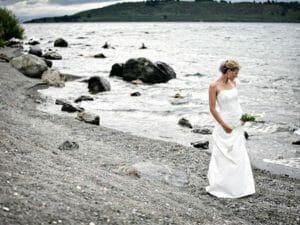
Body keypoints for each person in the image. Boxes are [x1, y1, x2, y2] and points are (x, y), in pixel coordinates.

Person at [206, 59, 255, 198]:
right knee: (224, 154)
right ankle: (222, 186)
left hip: (237, 123)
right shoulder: (214, 86)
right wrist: (223, 125)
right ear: (227, 71)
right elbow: (212, 108)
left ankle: (240, 187)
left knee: (238, 153)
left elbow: (236, 103)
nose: (236, 76)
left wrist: (244, 117)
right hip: (225, 123)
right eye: (235, 73)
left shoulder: (233, 82)